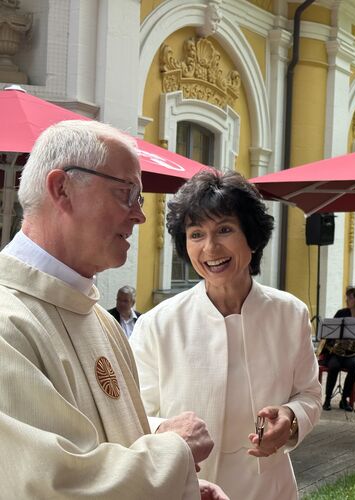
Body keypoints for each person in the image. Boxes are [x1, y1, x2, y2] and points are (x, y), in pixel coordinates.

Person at [0, 120, 224, 499]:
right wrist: (174, 450)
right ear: (62, 189)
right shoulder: (8, 323)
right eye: (127, 194)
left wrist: (179, 485)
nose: (140, 215)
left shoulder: (100, 319)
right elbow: (54, 486)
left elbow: (111, 443)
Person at [130, 169, 322, 500]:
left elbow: (309, 394)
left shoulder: (290, 314)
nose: (210, 247)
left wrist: (290, 419)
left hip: (269, 489)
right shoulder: (158, 324)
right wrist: (166, 430)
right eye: (195, 234)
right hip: (186, 488)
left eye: (224, 229)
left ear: (252, 236)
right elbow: (131, 414)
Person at [322, 287, 355, 411]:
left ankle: (344, 399)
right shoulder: (341, 313)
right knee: (333, 366)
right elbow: (330, 333)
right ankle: (327, 399)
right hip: (336, 352)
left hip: (352, 353)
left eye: (350, 298)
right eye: (347, 297)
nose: (347, 300)